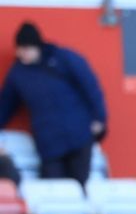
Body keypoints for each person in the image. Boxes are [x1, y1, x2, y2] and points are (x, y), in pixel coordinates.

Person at [0, 22, 106, 184]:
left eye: (26, 48)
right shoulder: (18, 74)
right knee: (52, 189)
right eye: (19, 49)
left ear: (36, 46)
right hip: (48, 142)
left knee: (79, 186)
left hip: (78, 136)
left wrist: (99, 117)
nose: (22, 53)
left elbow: (90, 86)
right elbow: (5, 105)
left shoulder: (62, 58)